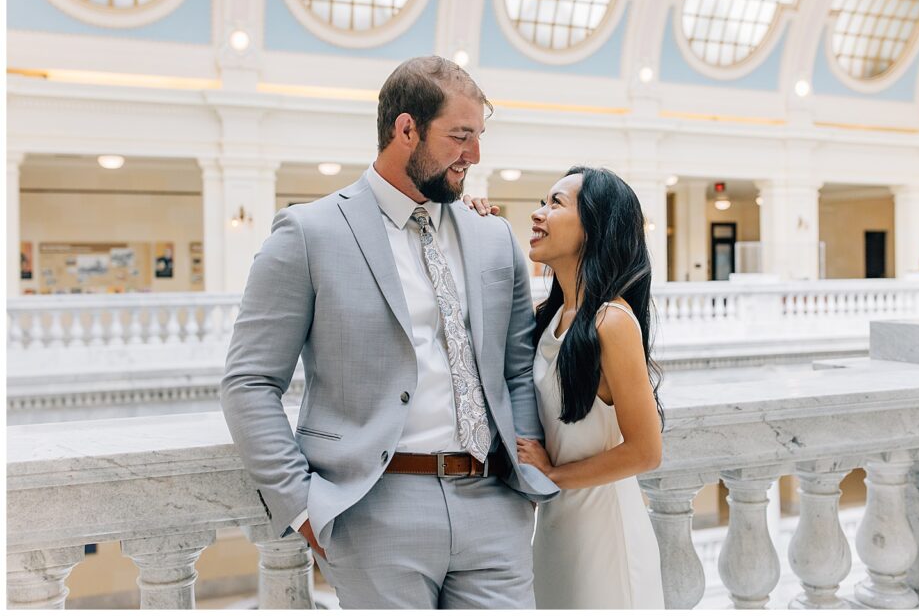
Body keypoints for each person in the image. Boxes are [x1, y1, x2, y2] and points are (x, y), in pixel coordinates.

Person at [221, 56, 558, 609]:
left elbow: (516, 365)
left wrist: (522, 467)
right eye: (460, 136)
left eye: (477, 137)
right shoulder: (309, 234)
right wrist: (303, 507)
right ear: (406, 130)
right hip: (375, 513)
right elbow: (250, 381)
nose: (474, 155)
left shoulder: (493, 235)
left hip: (495, 507)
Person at [465, 166, 666, 609]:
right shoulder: (547, 318)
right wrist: (469, 229)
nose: (537, 214)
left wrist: (554, 475)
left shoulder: (611, 322)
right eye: (542, 202)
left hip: (605, 535)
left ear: (595, 226)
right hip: (557, 527)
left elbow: (646, 451)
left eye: (555, 203)